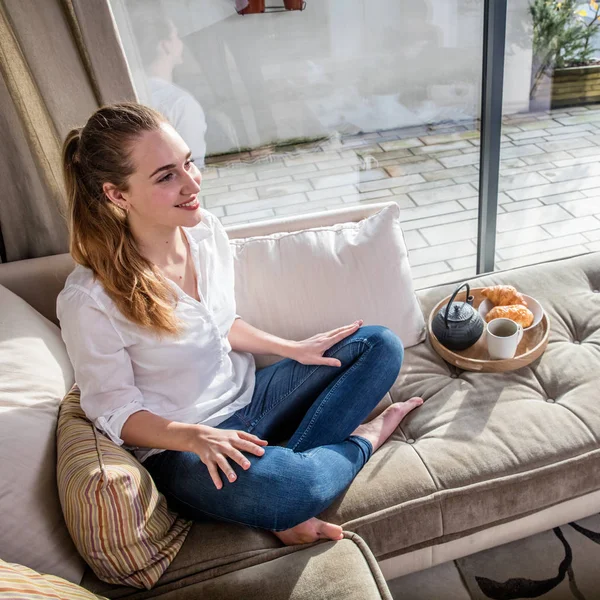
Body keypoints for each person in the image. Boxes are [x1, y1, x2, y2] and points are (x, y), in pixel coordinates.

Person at [57, 102, 423, 545]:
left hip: (252, 397)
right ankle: (362, 440)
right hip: (183, 449)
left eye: (188, 162)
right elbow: (114, 412)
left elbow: (221, 322)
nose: (192, 183)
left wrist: (292, 348)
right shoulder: (88, 301)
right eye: (165, 176)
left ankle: (282, 466)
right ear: (118, 194)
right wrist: (196, 438)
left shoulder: (205, 231)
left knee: (379, 345)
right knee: (298, 491)